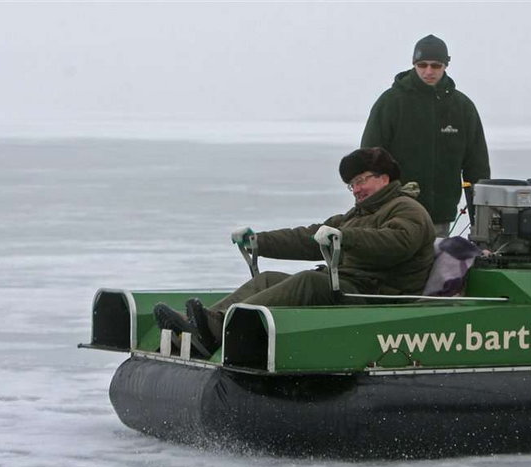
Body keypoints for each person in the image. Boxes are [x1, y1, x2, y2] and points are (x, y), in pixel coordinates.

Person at [153, 147, 436, 357]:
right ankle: (202, 326)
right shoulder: (358, 213)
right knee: (268, 279)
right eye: (352, 184)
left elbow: (398, 243)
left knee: (310, 281)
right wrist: (259, 242)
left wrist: (344, 237)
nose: (356, 189)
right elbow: (308, 238)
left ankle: (217, 329)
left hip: (378, 294)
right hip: (352, 284)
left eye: (361, 180)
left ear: (384, 178)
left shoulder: (407, 209)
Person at [361, 34, 491, 237]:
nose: (428, 71)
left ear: (446, 65)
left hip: (441, 215)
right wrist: (372, 205)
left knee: (437, 267)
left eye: (436, 65)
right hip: (396, 213)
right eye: (422, 65)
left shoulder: (462, 107)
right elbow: (369, 159)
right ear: (414, 64)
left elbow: (477, 165)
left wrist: (481, 216)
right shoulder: (391, 102)